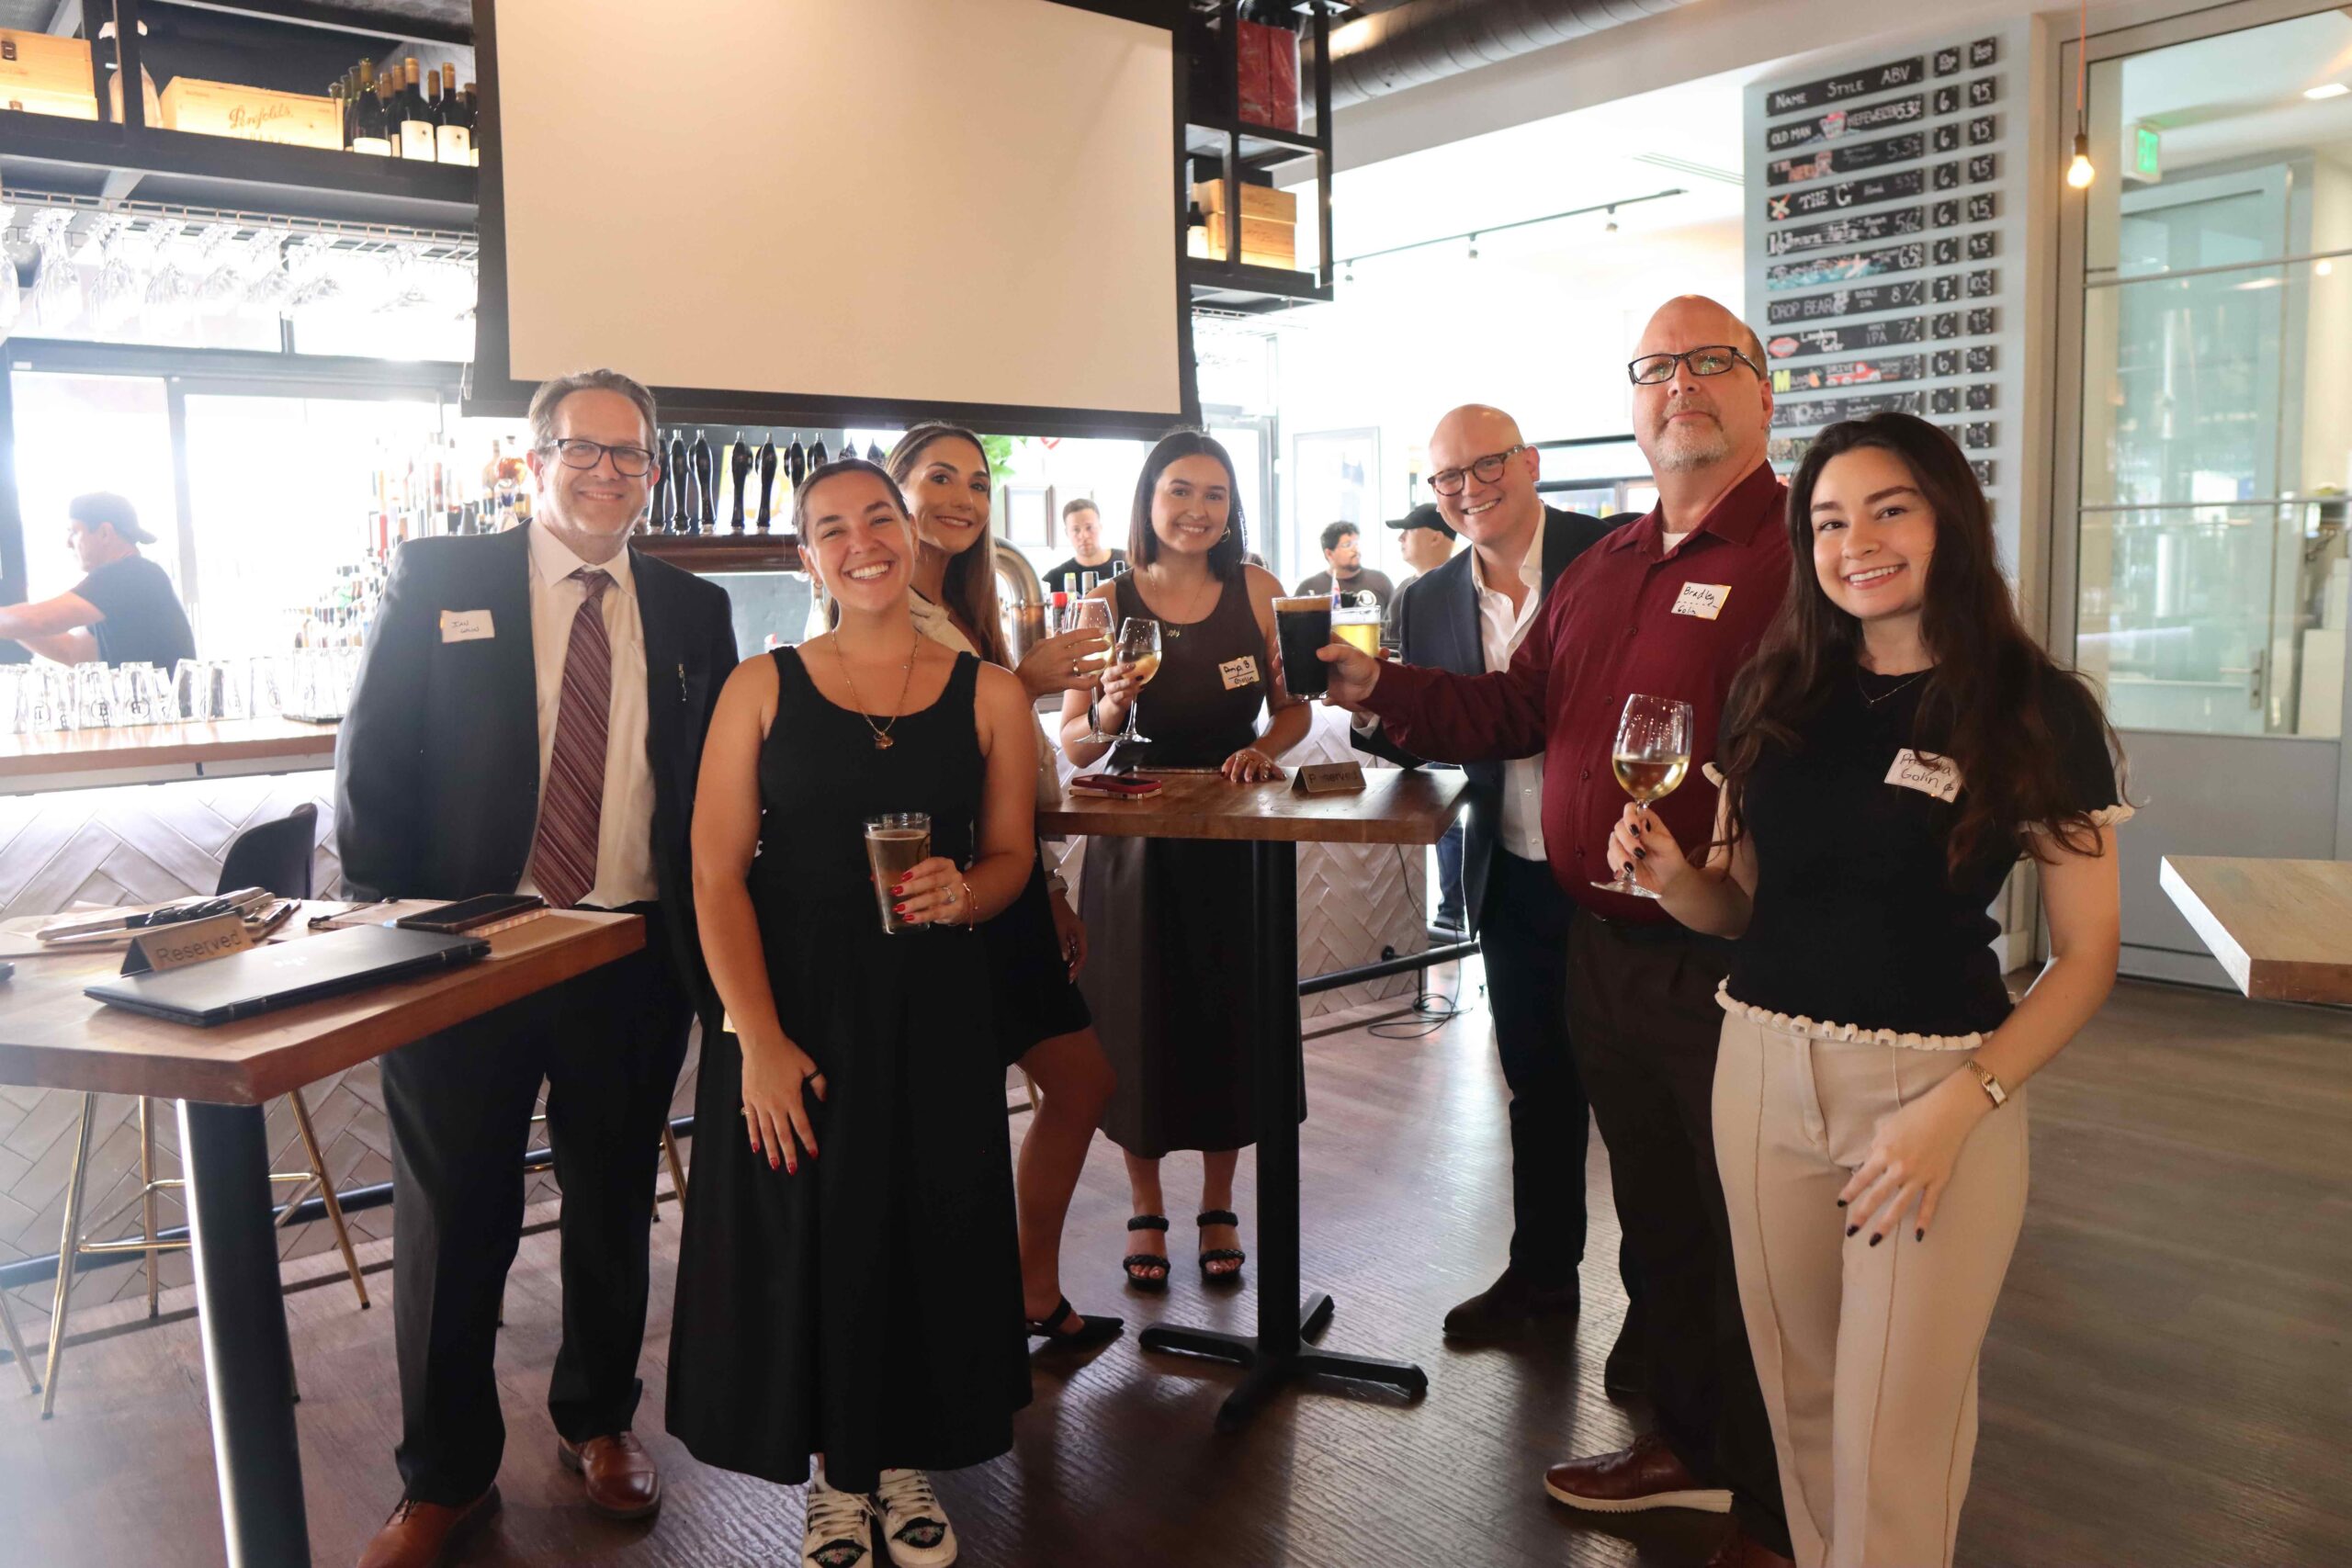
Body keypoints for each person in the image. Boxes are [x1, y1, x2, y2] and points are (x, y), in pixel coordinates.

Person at [1321, 296, 1798, 1568]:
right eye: (1657, 367)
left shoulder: (1801, 548)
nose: (1681, 384)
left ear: (1763, 391)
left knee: (1747, 1223)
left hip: (1732, 954)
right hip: (1601, 942)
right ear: (1633, 406)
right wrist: (1376, 687)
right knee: (1662, 1208)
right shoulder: (1612, 564)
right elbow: (1513, 710)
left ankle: (1772, 1492)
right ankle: (1690, 1443)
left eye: (1711, 361)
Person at [1609, 414, 2125, 1568]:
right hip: (1757, 1070)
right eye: (1829, 522)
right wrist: (1673, 881)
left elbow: (2088, 952)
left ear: (1949, 520)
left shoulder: (2034, 708)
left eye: (1890, 510)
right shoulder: (1777, 686)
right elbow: (1739, 909)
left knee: (1896, 1429)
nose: (1858, 544)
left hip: (1936, 1091)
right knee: (1800, 1404)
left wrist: (1963, 1104)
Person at [334, 370, 738, 1568]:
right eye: (584, 448)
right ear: (534, 457)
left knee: (613, 1199)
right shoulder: (442, 577)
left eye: (631, 454)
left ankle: (599, 1419)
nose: (609, 472)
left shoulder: (694, 609)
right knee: (456, 1215)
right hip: (469, 952)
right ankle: (444, 1477)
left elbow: (713, 789)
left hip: (629, 951)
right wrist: (399, 932)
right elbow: (372, 763)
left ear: (654, 469)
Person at [669, 457, 1035, 1568]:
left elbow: (1012, 857)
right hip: (795, 1007)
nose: (861, 541)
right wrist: (756, 1043)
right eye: (831, 528)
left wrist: (970, 892)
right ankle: (837, 1479)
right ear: (806, 558)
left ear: (912, 535)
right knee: (814, 1238)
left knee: (924, 1227)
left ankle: (902, 1452)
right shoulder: (760, 685)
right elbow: (714, 876)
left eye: (879, 518)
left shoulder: (992, 693)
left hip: (934, 1007)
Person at [1355, 408, 1617, 1347]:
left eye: (1488, 465)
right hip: (1510, 868)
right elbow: (1434, 728)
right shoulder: (1425, 601)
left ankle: (1663, 1313)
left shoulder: (1613, 554)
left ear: (1531, 462)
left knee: (1643, 1099)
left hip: (1626, 872)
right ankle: (1541, 1281)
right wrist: (1369, 713)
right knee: (1537, 1088)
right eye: (1447, 477)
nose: (1468, 489)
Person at [883, 421, 1125, 1348]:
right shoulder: (885, 609)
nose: (962, 498)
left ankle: (1027, 1289)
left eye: (978, 484)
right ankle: (954, 1322)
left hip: (1010, 883)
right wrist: (1022, 681)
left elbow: (1011, 776)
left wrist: (1052, 887)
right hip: (950, 892)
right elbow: (918, 752)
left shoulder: (962, 609)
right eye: (939, 478)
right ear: (896, 490)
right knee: (962, 1118)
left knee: (1081, 1083)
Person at [1057, 431, 1308, 1288]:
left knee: (1230, 1010)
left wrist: (1265, 749)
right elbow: (1075, 740)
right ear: (1148, 500)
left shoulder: (1259, 589)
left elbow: (1293, 709)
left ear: (1232, 508)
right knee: (1137, 1017)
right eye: (1180, 491)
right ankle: (1145, 1204)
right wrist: (1107, 710)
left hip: (1235, 827)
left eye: (1215, 494)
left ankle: (1218, 1201)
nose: (1198, 510)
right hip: (1137, 834)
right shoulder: (1104, 603)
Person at [1384, 503, 1469, 934]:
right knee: (1444, 816)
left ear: (1437, 535)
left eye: (1408, 530)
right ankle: (1452, 907)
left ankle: (1459, 908)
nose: (1401, 538)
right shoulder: (1406, 590)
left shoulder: (1471, 582)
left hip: (1466, 712)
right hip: (1428, 720)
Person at [0, 492, 195, 669]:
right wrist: (14, 627)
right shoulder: (129, 578)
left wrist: (17, 622)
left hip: (158, 697)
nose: (68, 543)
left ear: (104, 533)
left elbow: (38, 620)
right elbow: (75, 652)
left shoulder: (129, 574)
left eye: (74, 531)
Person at [1292, 520, 1396, 610]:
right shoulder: (1309, 588)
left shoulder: (1380, 581)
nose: (1355, 549)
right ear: (1329, 554)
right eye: (1347, 545)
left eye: (1356, 543)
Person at [1041, 496, 1127, 595]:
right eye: (1076, 530)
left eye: (1089, 527)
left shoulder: (1129, 562)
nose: (1084, 536)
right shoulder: (1055, 579)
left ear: (1100, 527)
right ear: (1067, 533)